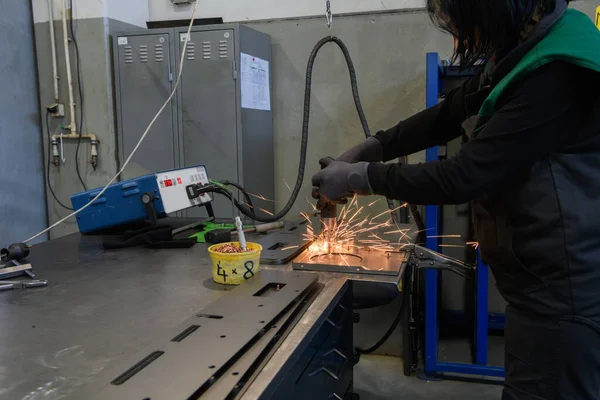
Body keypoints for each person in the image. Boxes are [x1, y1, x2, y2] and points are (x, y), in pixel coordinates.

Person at [312, 1, 600, 399]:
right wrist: (372, 148)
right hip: (538, 286)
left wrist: (362, 177)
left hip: (564, 296)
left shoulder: (558, 70)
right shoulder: (524, 45)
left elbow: (463, 176)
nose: (458, 39)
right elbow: (447, 114)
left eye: (462, 26)